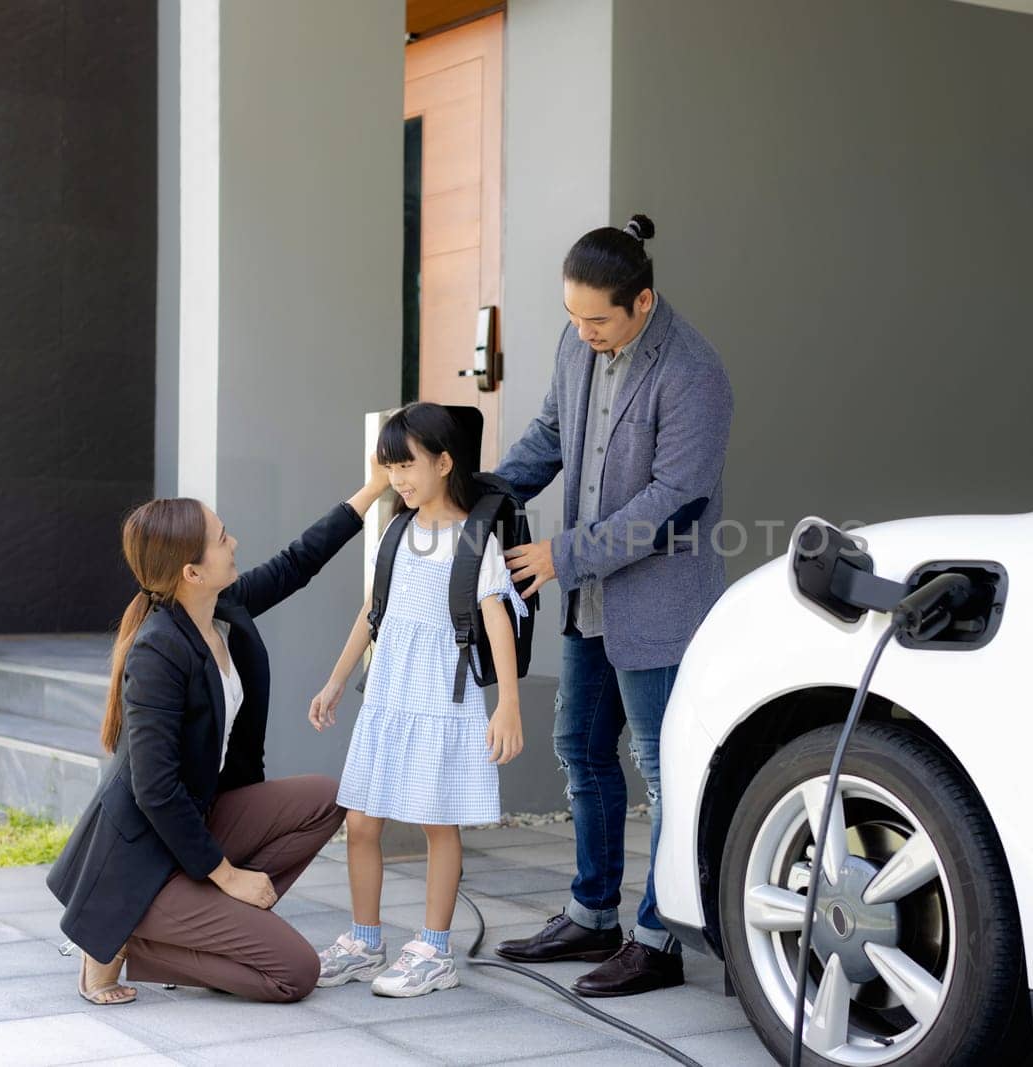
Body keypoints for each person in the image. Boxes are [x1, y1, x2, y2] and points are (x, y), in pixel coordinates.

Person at [491, 215, 735, 996]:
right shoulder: (580, 342)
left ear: (643, 302)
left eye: (598, 319)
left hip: (660, 602)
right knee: (582, 751)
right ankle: (592, 911)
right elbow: (549, 434)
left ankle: (659, 937)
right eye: (573, 317)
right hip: (592, 604)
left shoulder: (694, 371)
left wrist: (562, 555)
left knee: (666, 772)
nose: (583, 332)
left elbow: (675, 503)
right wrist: (482, 497)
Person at [46, 479, 385, 1004]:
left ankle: (199, 919)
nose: (235, 544)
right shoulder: (157, 652)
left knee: (325, 797)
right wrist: (227, 877)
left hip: (197, 823)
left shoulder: (223, 608)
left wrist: (372, 490)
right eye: (222, 538)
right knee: (294, 973)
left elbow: (298, 562)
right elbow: (155, 791)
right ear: (191, 572)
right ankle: (125, 937)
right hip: (143, 860)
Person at [306, 403, 528, 997]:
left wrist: (508, 703)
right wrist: (335, 680)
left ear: (444, 462)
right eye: (389, 467)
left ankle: (434, 951)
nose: (397, 479)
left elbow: (496, 618)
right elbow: (374, 613)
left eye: (407, 466)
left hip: (442, 696)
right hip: (388, 695)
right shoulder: (397, 530)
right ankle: (363, 940)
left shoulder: (473, 539)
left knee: (437, 823)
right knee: (360, 821)